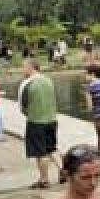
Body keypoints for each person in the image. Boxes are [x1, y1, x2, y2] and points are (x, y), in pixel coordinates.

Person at [19, 59, 62, 188]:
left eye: (24, 67)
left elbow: (22, 106)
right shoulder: (49, 80)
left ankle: (44, 180)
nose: (22, 70)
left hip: (36, 121)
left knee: (40, 152)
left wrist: (30, 114)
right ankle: (63, 171)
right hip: (52, 120)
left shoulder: (26, 83)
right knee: (52, 148)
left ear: (31, 67)